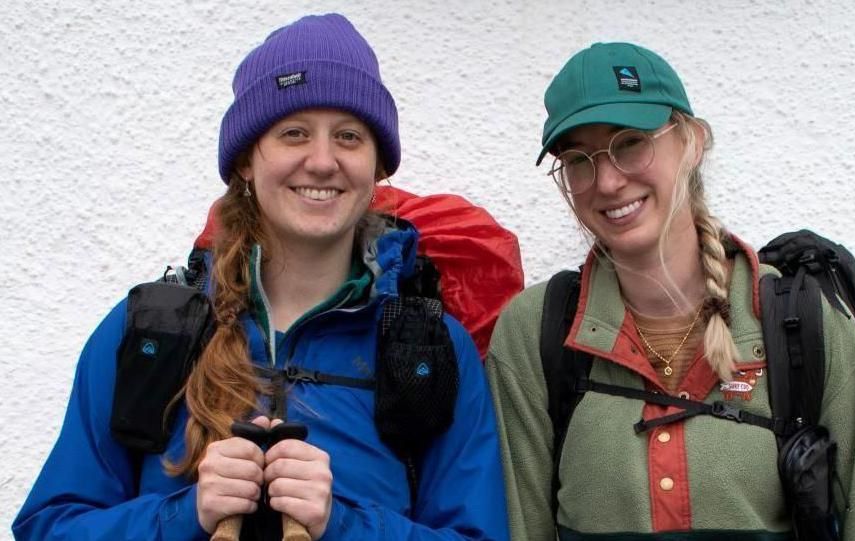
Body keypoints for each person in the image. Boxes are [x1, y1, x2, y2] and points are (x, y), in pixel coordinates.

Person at [14, 14, 508, 541]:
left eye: (348, 136)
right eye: (293, 133)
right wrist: (185, 514)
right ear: (247, 160)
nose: (322, 161)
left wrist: (343, 523)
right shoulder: (151, 333)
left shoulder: (431, 350)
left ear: (376, 166)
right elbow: (49, 528)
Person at [485, 42, 855, 540]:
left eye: (629, 142)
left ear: (691, 142)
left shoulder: (803, 324)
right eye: (578, 158)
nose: (606, 180)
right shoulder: (535, 334)